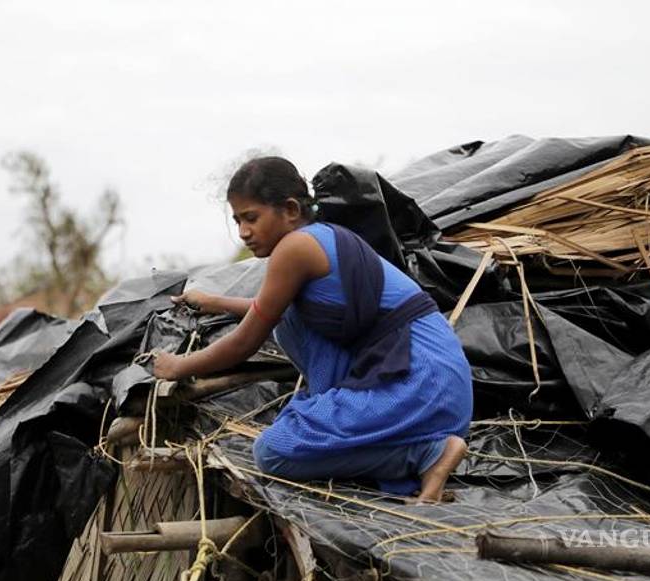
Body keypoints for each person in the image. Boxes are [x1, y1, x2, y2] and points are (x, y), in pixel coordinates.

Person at [152, 156, 472, 501]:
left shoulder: (295, 248)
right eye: (237, 221)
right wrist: (215, 302)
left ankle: (425, 454)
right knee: (291, 319)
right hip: (441, 382)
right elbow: (267, 310)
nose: (243, 232)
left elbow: (247, 339)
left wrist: (179, 366)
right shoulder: (322, 238)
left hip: (417, 381)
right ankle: (415, 448)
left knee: (272, 452)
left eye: (251, 218)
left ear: (290, 210)